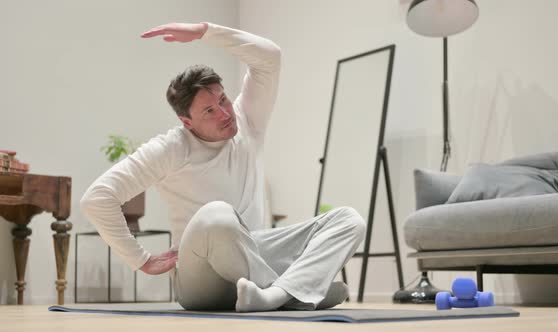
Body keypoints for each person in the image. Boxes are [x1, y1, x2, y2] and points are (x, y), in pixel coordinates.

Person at [80, 21, 366, 312]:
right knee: (218, 215)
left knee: (349, 220)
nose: (225, 113)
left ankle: (275, 295)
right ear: (187, 122)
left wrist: (205, 31)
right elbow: (98, 198)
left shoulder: (247, 120)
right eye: (209, 110)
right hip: (201, 281)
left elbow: (270, 56)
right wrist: (140, 259)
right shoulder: (170, 148)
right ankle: (295, 290)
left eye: (223, 99)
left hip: (254, 256)